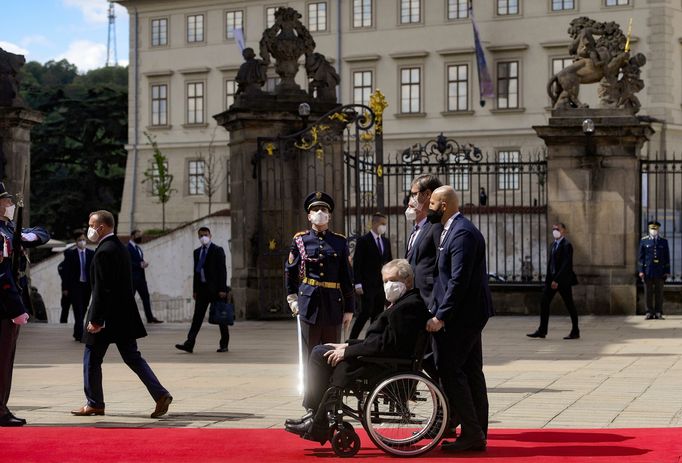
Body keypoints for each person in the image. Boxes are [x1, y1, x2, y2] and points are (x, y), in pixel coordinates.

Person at [285, 259, 431, 443]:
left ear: (408, 281)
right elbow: (380, 341)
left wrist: (348, 352)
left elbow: (384, 345)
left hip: (384, 365)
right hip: (380, 358)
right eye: (385, 281)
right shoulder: (401, 303)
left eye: (392, 280)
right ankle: (315, 415)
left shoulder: (408, 306)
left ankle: (316, 419)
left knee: (320, 356)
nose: (388, 286)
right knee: (320, 351)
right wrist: (347, 345)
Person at [71, 210, 172, 418]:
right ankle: (160, 394)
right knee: (133, 357)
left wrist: (96, 320)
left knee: (91, 358)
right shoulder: (120, 247)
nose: (89, 229)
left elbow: (102, 289)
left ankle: (95, 402)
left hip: (106, 319)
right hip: (123, 317)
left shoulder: (104, 251)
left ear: (102, 226)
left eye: (92, 224)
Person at [426, 186, 493, 452]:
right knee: (471, 371)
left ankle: (472, 434)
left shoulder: (462, 232)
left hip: (462, 317)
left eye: (431, 203)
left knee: (451, 370)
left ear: (443, 205)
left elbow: (458, 280)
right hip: (467, 314)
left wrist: (441, 315)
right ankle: (477, 431)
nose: (427, 207)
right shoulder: (451, 229)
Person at [285, 192, 354, 363]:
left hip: (333, 305)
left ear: (329, 215)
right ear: (309, 216)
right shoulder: (300, 241)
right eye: (315, 210)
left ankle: (330, 389)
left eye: (323, 209)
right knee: (309, 354)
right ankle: (311, 390)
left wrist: (349, 309)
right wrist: (292, 299)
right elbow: (290, 272)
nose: (319, 213)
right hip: (308, 304)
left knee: (332, 353)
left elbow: (346, 276)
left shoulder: (339, 242)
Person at [0, 182, 48, 427]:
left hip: (7, 305)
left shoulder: (8, 228)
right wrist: (16, 308)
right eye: (5, 201)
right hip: (4, 307)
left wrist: (28, 236)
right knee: (3, 360)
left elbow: (41, 233)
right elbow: (2, 275)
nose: (9, 205)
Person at [175, 227, 230, 353]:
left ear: (210, 235)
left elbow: (222, 270)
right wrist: (195, 290)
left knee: (221, 318)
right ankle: (189, 343)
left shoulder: (217, 250)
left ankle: (224, 344)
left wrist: (222, 289)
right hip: (202, 290)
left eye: (205, 235)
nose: (203, 237)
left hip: (216, 290)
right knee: (197, 318)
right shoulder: (197, 252)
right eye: (200, 236)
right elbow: (196, 273)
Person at [527, 223, 580, 340]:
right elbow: (551, 265)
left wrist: (557, 280)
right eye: (553, 229)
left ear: (563, 231)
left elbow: (566, 265)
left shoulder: (567, 245)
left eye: (558, 229)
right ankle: (542, 330)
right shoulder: (552, 245)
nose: (555, 231)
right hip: (551, 281)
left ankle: (575, 330)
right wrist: (549, 281)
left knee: (569, 304)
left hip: (563, 281)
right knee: (544, 302)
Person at [350, 212, 391, 339]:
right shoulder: (364, 240)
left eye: (385, 224)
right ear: (374, 223)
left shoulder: (385, 241)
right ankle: (352, 338)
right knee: (365, 312)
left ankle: (371, 339)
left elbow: (389, 261)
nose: (384, 227)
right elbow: (357, 263)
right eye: (382, 224)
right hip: (367, 284)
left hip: (381, 284)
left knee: (378, 313)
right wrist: (357, 283)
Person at [405, 175, 443, 309]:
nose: (411, 199)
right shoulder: (416, 228)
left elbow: (441, 264)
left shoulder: (436, 225)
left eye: (414, 194)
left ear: (427, 194)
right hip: (415, 296)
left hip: (428, 297)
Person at [60, 230, 94, 342]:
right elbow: (66, 272)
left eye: (84, 239)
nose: (82, 242)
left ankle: (77, 332)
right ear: (76, 241)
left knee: (83, 309)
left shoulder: (91, 253)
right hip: (75, 287)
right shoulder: (70, 254)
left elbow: (93, 271)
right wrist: (65, 288)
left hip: (87, 287)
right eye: (80, 240)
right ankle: (80, 335)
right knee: (78, 310)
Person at [128, 229, 163, 324]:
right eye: (138, 235)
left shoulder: (138, 248)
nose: (140, 237)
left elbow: (139, 260)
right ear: (132, 236)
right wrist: (139, 265)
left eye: (140, 235)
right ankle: (127, 318)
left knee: (146, 297)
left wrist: (143, 263)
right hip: (133, 278)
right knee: (130, 299)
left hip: (141, 278)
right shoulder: (128, 248)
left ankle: (150, 317)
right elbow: (128, 262)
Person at [639, 220, 670, 320]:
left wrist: (667, 271)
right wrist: (641, 270)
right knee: (648, 292)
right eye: (652, 229)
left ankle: (658, 311)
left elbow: (666, 257)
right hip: (648, 270)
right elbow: (641, 257)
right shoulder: (644, 240)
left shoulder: (663, 241)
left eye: (655, 229)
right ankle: (649, 312)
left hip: (659, 271)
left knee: (659, 292)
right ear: (649, 229)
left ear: (658, 229)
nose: (653, 230)